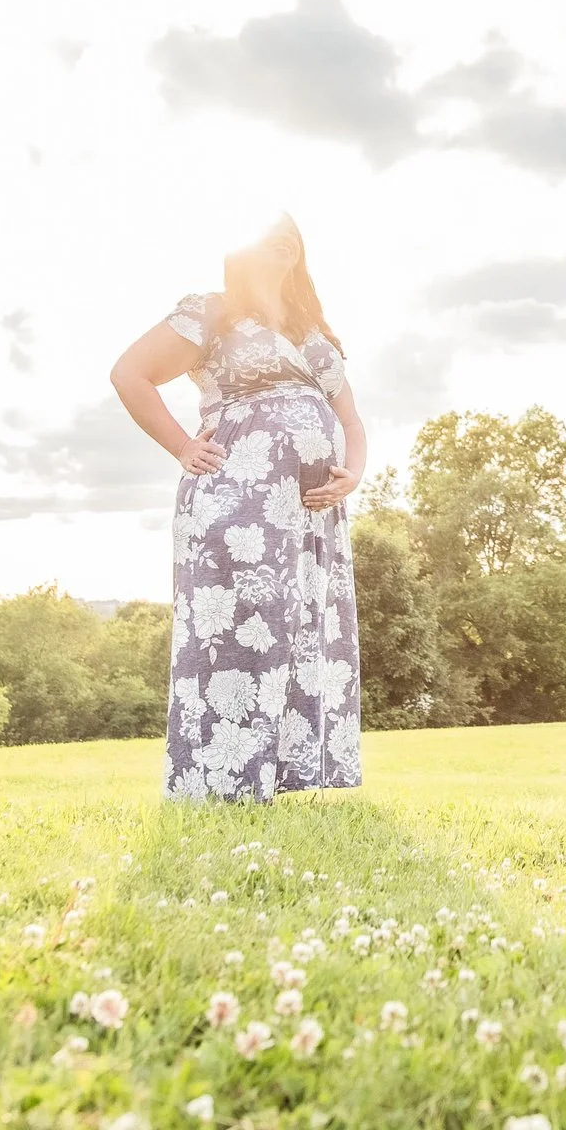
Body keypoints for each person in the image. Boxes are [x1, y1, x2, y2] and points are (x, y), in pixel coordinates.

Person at [109, 215, 367, 801]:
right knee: (238, 628)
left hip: (312, 510)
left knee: (300, 629)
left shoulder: (311, 327)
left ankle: (287, 776)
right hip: (240, 497)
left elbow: (350, 419)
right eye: (268, 225)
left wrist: (353, 473)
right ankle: (222, 781)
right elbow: (130, 374)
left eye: (292, 229)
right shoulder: (213, 311)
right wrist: (182, 445)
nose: (283, 234)